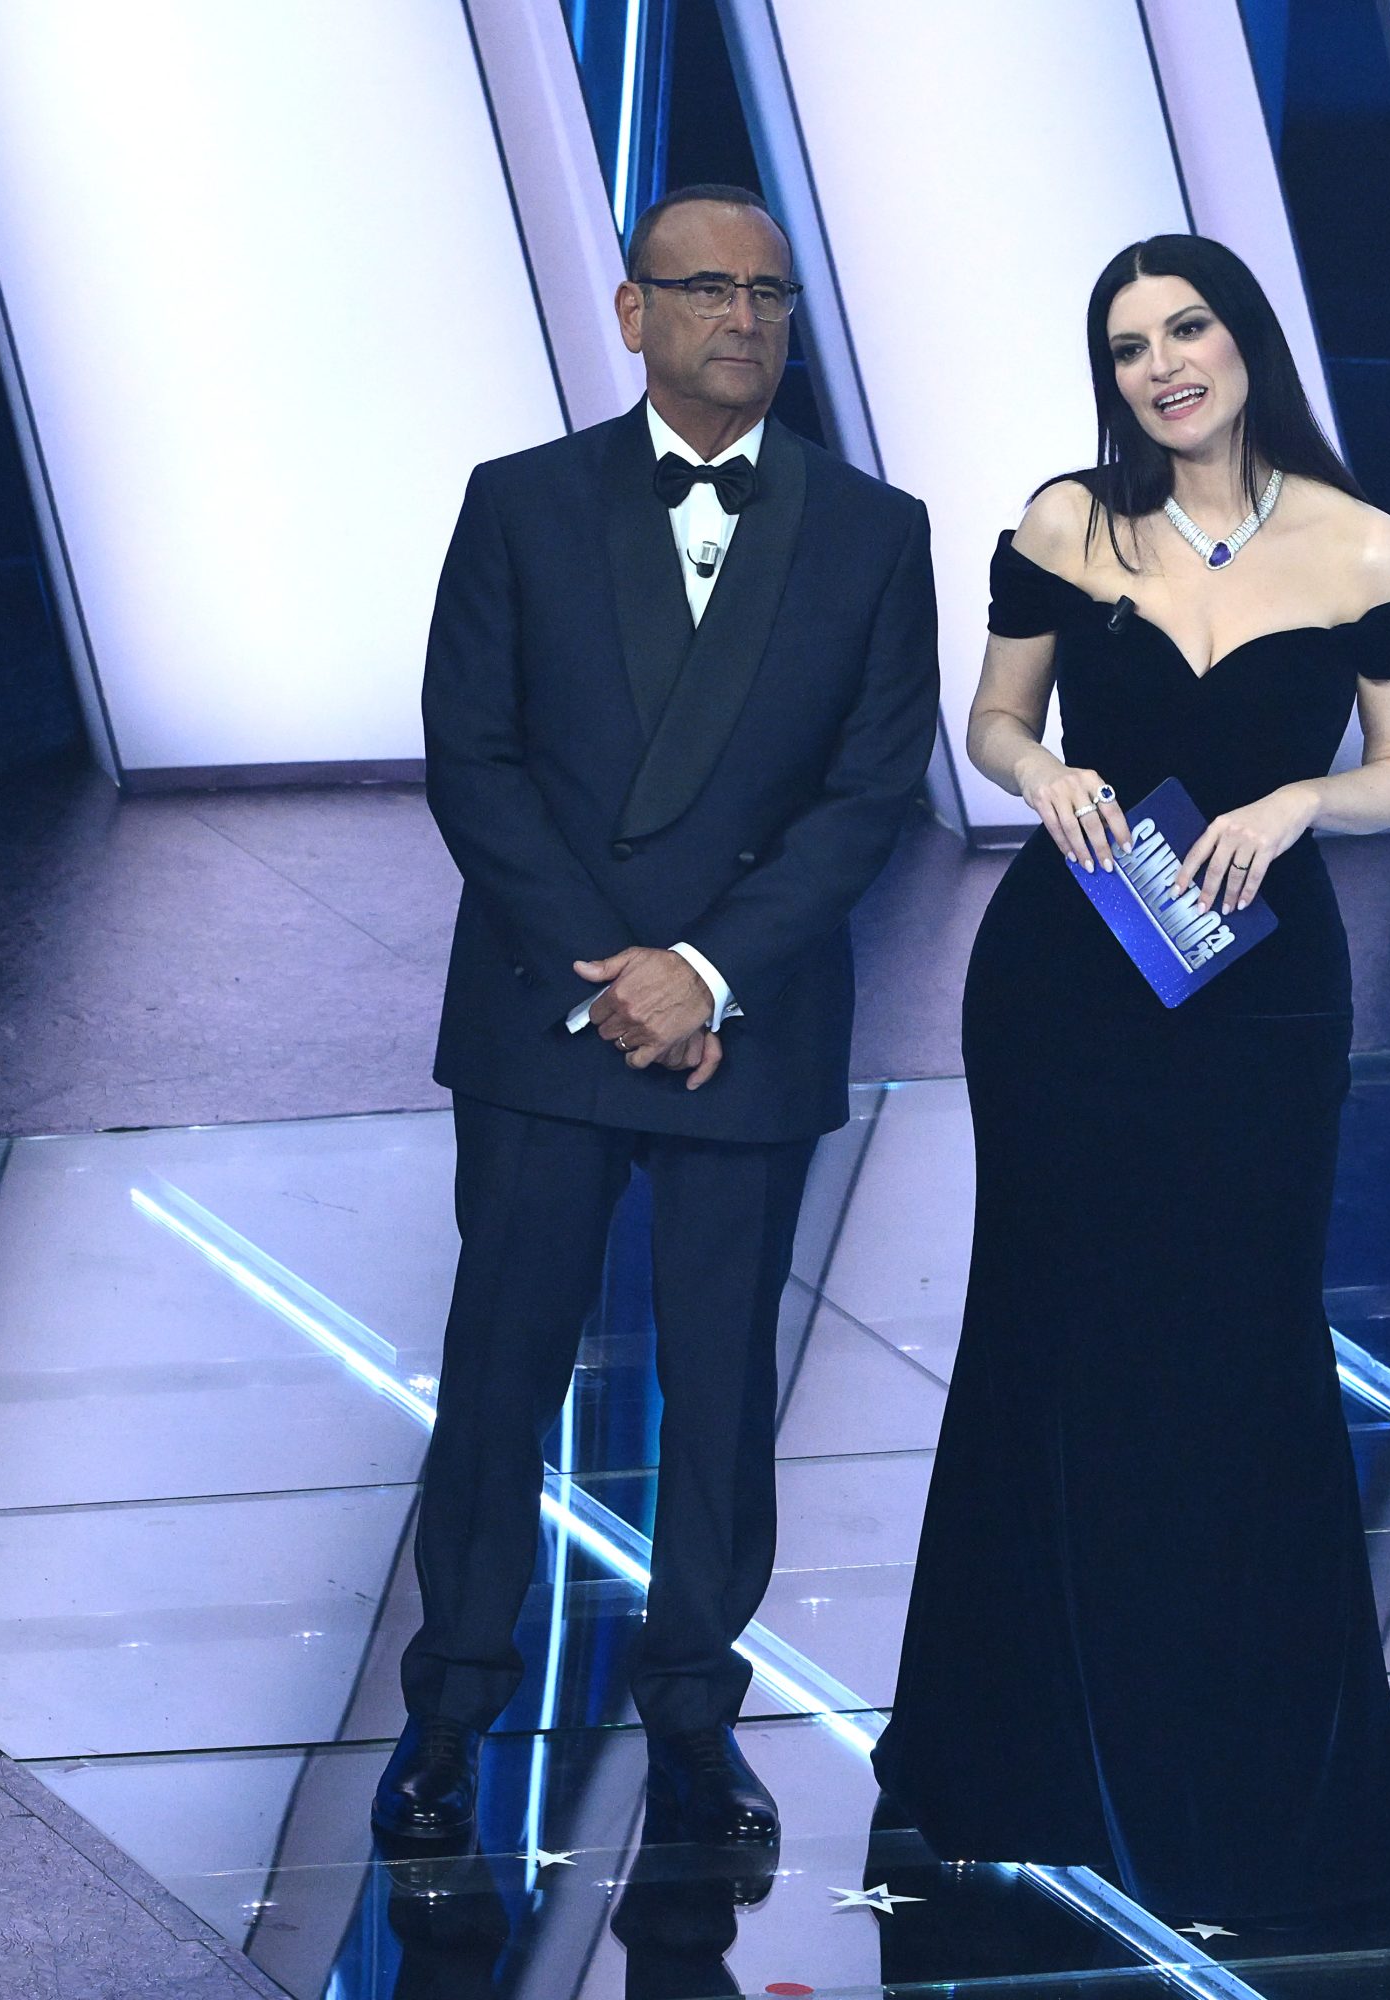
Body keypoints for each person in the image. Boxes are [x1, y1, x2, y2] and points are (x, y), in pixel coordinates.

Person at [870, 236, 1390, 1936]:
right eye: (1128, 347)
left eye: (1187, 329)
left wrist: (1302, 802)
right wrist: (1044, 774)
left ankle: (1239, 1765)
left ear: (1246, 341)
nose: (1163, 365)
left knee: (1236, 1348)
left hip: (1258, 992)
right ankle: (1026, 1759)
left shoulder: (1362, 542)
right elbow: (992, 719)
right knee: (1051, 1334)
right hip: (1068, 977)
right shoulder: (1067, 525)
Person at [372, 184, 938, 1852]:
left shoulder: (873, 529)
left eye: (768, 294)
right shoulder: (522, 503)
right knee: (502, 1370)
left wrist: (706, 974)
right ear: (633, 314)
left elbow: (868, 793)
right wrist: (620, 971)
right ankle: (450, 1709)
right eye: (705, 289)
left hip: (746, 1021)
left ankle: (695, 1712)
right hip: (549, 1012)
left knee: (722, 1387)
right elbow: (472, 759)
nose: (741, 319)